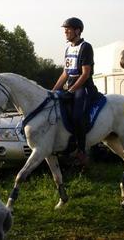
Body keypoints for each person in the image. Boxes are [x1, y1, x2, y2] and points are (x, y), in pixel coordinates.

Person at [52, 17, 98, 166]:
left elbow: (85, 74)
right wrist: (53, 91)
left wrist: (71, 90)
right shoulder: (68, 48)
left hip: (83, 87)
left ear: (77, 30)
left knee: (77, 116)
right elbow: (65, 73)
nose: (65, 31)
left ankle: (82, 151)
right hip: (70, 87)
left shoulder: (86, 47)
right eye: (65, 29)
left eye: (68, 29)